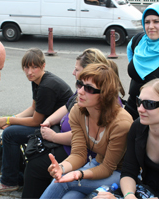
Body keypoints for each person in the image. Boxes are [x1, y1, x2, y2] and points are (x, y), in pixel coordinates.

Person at [22, 48, 110, 199]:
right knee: (35, 156)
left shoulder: (100, 102)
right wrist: (48, 121)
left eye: (77, 69)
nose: (73, 73)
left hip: (79, 153)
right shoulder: (82, 93)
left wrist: (54, 137)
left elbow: (86, 142)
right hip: (70, 147)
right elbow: (67, 107)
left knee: (36, 166)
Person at [0, 48, 73, 193]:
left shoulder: (46, 86)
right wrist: (13, 119)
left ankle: (9, 181)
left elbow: (34, 121)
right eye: (26, 67)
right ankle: (8, 166)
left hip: (56, 129)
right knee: (11, 131)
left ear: (43, 66)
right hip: (48, 123)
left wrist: (10, 120)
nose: (29, 72)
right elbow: (33, 108)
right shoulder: (37, 80)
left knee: (10, 134)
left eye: (34, 67)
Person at [40, 64, 133, 199]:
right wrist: (62, 167)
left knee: (61, 183)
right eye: (80, 84)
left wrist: (79, 174)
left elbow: (108, 168)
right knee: (70, 196)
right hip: (97, 163)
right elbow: (79, 154)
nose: (80, 91)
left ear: (104, 94)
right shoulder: (78, 111)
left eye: (89, 88)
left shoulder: (121, 123)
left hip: (122, 174)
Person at [92, 78, 159, 199]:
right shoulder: (138, 127)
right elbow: (129, 171)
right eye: (139, 101)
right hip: (143, 191)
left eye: (149, 104)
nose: (140, 109)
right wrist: (129, 195)